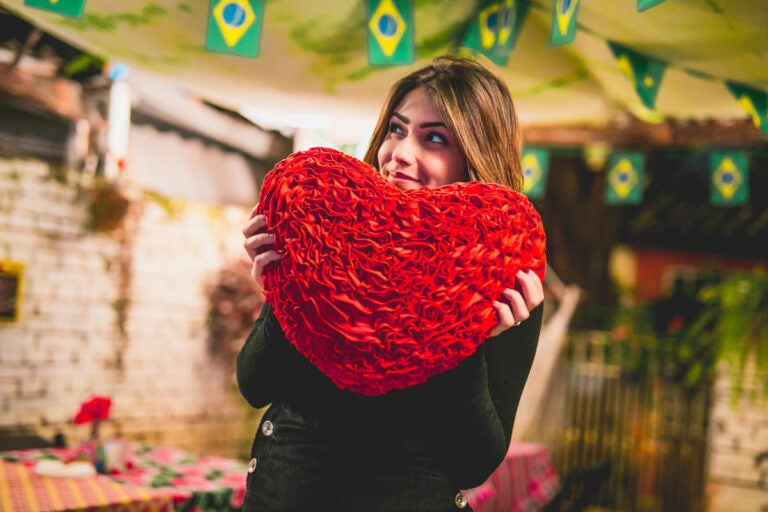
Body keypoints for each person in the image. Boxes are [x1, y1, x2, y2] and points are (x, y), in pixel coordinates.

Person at [237, 55, 545, 512]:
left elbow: (472, 463)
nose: (399, 153)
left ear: (475, 161)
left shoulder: (505, 279)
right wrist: (285, 292)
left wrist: (464, 334)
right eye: (396, 129)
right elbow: (255, 384)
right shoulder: (330, 230)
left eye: (434, 139)